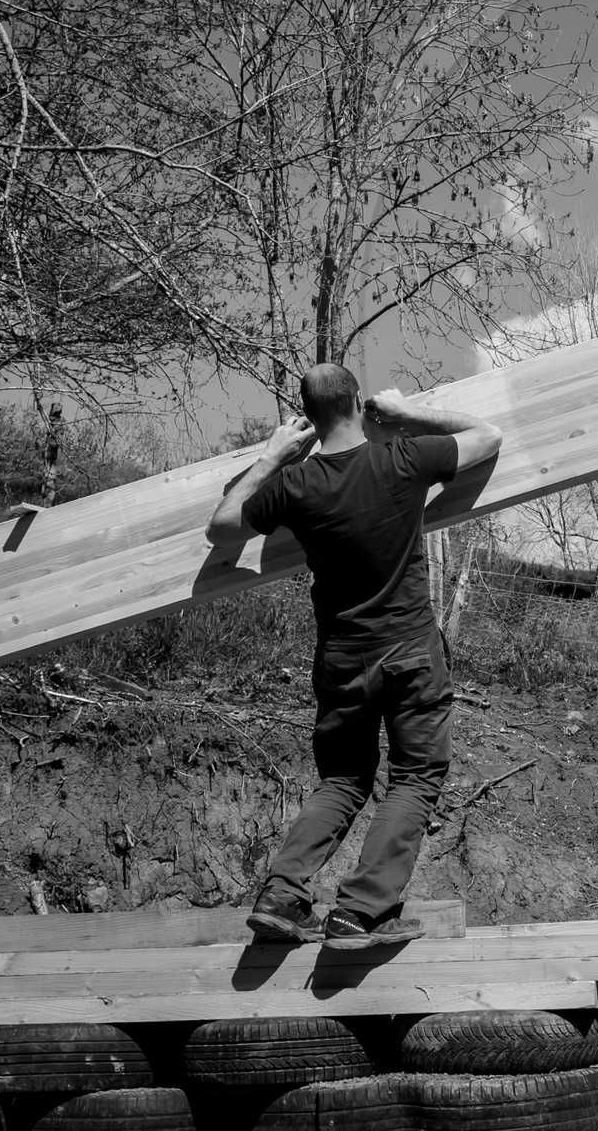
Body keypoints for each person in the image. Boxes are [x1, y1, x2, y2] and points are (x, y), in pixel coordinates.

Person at [206, 364, 503, 948]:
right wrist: (405, 412)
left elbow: (220, 530)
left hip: (342, 657)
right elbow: (488, 435)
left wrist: (270, 456)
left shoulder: (295, 485)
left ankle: (283, 895)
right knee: (415, 778)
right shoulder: (403, 458)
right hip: (410, 652)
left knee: (343, 779)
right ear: (358, 403)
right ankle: (361, 911)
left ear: (309, 422)